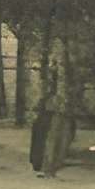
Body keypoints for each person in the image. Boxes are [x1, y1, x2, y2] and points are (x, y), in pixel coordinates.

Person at [36, 29, 78, 179]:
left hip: (61, 103)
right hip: (59, 104)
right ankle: (49, 168)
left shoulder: (63, 64)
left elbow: (62, 84)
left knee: (61, 136)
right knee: (56, 135)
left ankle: (51, 167)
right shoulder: (59, 65)